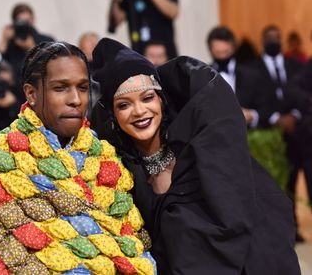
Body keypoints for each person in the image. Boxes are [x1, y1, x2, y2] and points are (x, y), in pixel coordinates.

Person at [91, 37, 300, 274]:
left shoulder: (201, 151)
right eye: (124, 105)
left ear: (161, 100)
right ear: (113, 116)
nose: (140, 111)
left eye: (147, 98)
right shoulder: (119, 174)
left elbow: (241, 217)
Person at [0, 41, 156, 275]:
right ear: (31, 93)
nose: (76, 100)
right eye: (60, 88)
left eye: (82, 88)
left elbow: (133, 242)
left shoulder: (107, 161)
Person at [249, 25, 307, 241]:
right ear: (262, 41)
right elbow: (254, 100)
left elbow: (303, 94)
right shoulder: (252, 68)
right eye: (269, 38)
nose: (273, 41)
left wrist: (294, 115)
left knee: (300, 183)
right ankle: (284, 230)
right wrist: (275, 118)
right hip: (269, 138)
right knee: (278, 187)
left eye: (276, 37)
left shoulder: (296, 66)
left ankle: (298, 228)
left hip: (299, 135)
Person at [207, 26, 271, 128]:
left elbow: (266, 109)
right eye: (218, 53)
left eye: (226, 52)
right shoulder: (203, 76)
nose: (222, 57)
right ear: (210, 51)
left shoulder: (252, 76)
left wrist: (252, 115)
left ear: (233, 48)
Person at [0, 3, 55, 104]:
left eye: (27, 21)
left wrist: (31, 47)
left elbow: (54, 64)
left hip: (43, 94)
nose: (25, 25)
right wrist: (4, 39)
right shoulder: (11, 45)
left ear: (33, 20)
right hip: (17, 98)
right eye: (21, 22)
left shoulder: (46, 40)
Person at [108, 0, 179, 58]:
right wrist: (115, 0)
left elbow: (173, 12)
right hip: (139, 53)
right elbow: (116, 20)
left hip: (162, 53)